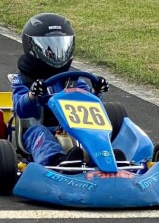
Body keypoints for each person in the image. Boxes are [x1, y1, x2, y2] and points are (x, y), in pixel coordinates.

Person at [10, 13, 108, 168]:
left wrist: (96, 92)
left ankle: (106, 158)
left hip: (73, 129)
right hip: (37, 130)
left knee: (95, 131)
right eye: (50, 48)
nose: (56, 54)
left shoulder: (73, 80)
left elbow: (87, 102)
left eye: (61, 47)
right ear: (33, 47)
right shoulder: (24, 79)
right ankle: (58, 162)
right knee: (39, 133)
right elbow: (20, 108)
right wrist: (32, 95)